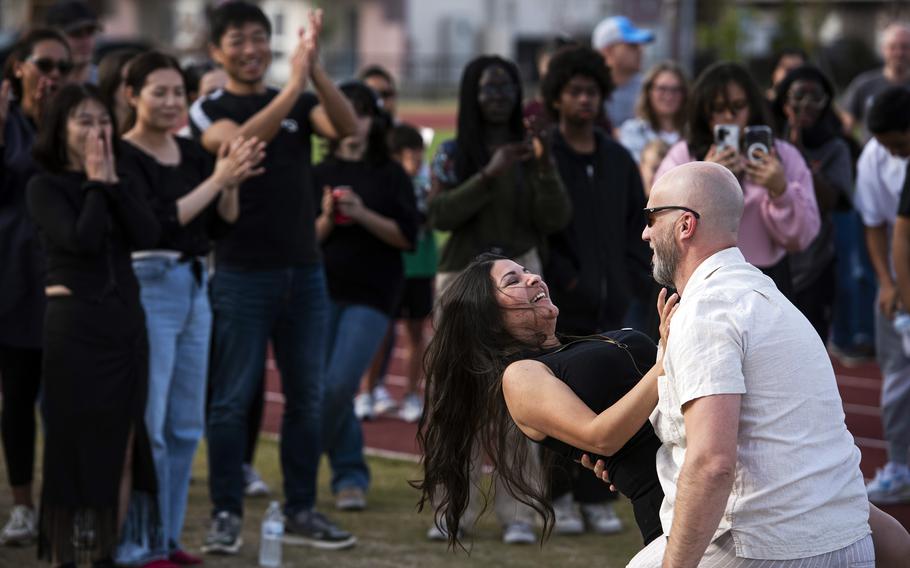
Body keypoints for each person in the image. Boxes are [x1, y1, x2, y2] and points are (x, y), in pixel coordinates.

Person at [628, 161, 872, 567]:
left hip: (769, 547)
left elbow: (711, 464)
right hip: (845, 537)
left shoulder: (706, 310)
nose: (645, 232)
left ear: (685, 225)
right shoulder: (770, 300)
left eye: (652, 217)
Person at [187, 2, 358, 553]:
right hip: (240, 273)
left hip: (304, 271)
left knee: (306, 398)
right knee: (232, 400)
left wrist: (315, 68)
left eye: (260, 37)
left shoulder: (301, 100)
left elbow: (347, 128)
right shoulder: (208, 107)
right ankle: (225, 512)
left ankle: (303, 508)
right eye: (237, 39)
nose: (252, 48)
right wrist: (293, 88)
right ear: (216, 51)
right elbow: (237, 144)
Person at [115, 50, 265, 567]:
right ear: (131, 95)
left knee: (183, 428)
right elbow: (156, 224)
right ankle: (135, 544)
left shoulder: (193, 154)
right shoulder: (122, 155)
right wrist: (218, 182)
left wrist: (232, 183)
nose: (171, 101)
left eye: (178, 92)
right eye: (159, 91)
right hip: (149, 287)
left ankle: (166, 540)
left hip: (196, 285)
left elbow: (218, 226)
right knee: (149, 428)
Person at [416, 252, 673, 548]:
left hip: (702, 464)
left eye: (527, 271)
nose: (534, 277)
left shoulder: (575, 345)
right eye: (513, 280)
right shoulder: (521, 375)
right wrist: (663, 364)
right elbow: (601, 438)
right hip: (672, 501)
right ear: (490, 317)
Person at [426, 54, 571, 545]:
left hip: (520, 278)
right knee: (456, 399)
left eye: (507, 87)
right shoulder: (452, 152)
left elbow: (555, 217)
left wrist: (546, 165)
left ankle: (519, 513)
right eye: (488, 88)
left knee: (524, 396)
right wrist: (488, 174)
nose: (498, 97)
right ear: (472, 94)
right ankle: (453, 512)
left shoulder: (532, 153)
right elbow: (440, 215)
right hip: (462, 285)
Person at [26, 83, 161, 567]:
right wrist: (96, 185)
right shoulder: (44, 186)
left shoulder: (119, 178)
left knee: (122, 448)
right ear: (60, 129)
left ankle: (106, 553)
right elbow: (80, 239)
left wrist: (112, 185)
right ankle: (65, 556)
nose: (96, 130)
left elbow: (148, 233)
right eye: (83, 121)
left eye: (103, 120)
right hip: (74, 329)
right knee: (69, 448)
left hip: (125, 327)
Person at [538, 44, 652, 535]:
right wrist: (566, 280)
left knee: (607, 398)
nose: (584, 100)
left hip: (613, 300)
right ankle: (558, 496)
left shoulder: (617, 158)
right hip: (563, 303)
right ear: (557, 98)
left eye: (591, 91)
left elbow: (635, 223)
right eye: (574, 91)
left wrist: (628, 273)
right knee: (563, 404)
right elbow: (543, 229)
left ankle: (595, 499)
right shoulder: (547, 156)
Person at [314, 81, 418, 512]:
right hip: (319, 290)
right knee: (320, 387)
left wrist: (361, 213)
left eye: (360, 111)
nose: (351, 120)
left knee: (338, 386)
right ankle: (348, 474)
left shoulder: (389, 173)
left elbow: (406, 237)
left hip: (373, 293)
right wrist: (326, 218)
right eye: (343, 110)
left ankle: (326, 464)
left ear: (375, 120)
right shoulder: (316, 174)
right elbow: (306, 241)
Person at [655, 61, 820, 297]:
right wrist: (706, 183)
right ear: (704, 112)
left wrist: (781, 191)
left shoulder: (782, 156)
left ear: (752, 107)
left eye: (738, 106)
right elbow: (661, 224)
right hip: (699, 278)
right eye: (718, 108)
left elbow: (802, 237)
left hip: (767, 278)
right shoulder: (685, 155)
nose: (729, 117)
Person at [0, 27, 72, 548]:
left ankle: (65, 502)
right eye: (44, 66)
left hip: (65, 280)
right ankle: (23, 506)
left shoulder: (72, 124)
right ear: (18, 68)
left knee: (68, 401)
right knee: (18, 399)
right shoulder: (7, 125)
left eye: (62, 69)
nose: (53, 77)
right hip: (12, 280)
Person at [854, 87, 910, 505]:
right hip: (897, 260)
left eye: (898, 144)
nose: (893, 151)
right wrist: (890, 285)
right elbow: (877, 225)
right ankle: (901, 464)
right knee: (897, 376)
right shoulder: (873, 156)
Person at [771, 64, 854, 341]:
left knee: (810, 344)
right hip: (769, 264)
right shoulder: (767, 143)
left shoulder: (836, 147)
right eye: (798, 97)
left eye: (814, 98)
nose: (806, 105)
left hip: (815, 267)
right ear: (784, 103)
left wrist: (799, 157)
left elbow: (831, 200)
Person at [842, 24, 910, 137]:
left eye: (905, 47)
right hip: (872, 154)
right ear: (883, 50)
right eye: (893, 47)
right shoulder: (863, 85)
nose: (899, 53)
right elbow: (846, 126)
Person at [590, 15, 654, 128]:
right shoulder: (587, 90)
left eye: (640, 46)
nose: (640, 51)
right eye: (632, 45)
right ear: (607, 51)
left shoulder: (651, 90)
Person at [618, 61, 688, 163]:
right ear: (649, 92)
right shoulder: (633, 130)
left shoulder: (693, 132)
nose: (669, 96)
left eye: (675, 89)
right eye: (662, 89)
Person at [44, 0, 101, 85]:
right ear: (53, 38)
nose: (86, 41)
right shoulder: (43, 85)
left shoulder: (106, 83)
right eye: (76, 33)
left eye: (90, 32)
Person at [97, 48, 142, 132]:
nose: (137, 86)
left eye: (141, 79)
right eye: (130, 80)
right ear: (111, 83)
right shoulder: (97, 131)